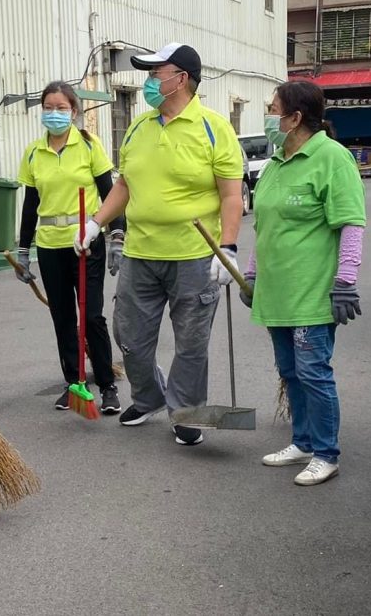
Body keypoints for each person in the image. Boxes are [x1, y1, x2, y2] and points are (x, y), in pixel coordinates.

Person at [77, 43, 244, 446]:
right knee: (129, 336)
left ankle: (186, 412)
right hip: (140, 253)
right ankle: (149, 397)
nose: (149, 82)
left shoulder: (214, 128)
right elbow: (124, 184)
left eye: (156, 74)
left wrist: (228, 248)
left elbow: (231, 196)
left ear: (181, 79)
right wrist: (96, 222)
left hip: (194, 256)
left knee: (191, 344)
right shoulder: (138, 127)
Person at [241, 80, 365, 486]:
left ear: (294, 118)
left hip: (312, 291)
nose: (268, 116)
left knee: (313, 372)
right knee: (290, 371)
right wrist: (253, 273)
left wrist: (345, 281)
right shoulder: (276, 163)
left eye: (273, 109)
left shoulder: (332, 158)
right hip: (277, 293)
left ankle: (327, 453)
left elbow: (351, 224)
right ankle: (304, 441)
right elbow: (264, 227)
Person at [16, 81, 120, 414]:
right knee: (62, 317)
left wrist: (117, 235)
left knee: (92, 316)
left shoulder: (88, 145)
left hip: (86, 243)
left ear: (73, 112)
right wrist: (23, 250)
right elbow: (30, 204)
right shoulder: (34, 152)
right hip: (50, 245)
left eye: (61, 108)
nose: (54, 114)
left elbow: (110, 192)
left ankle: (108, 385)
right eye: (48, 108)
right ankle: (74, 382)